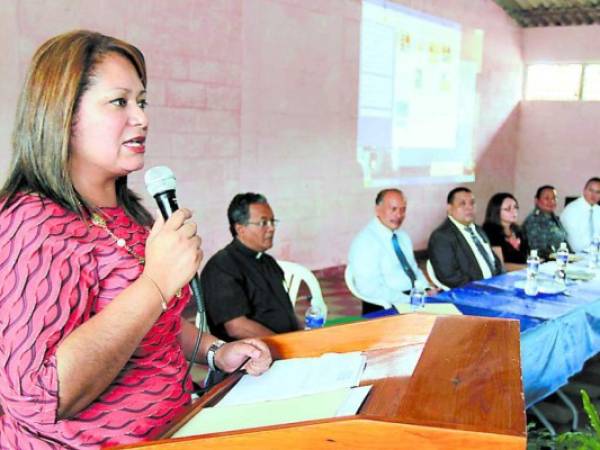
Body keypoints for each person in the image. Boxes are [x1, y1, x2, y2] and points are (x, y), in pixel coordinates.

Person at [0, 30, 271, 449]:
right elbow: (39, 396)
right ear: (63, 114)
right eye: (119, 102)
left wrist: (215, 351)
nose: (141, 118)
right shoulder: (33, 225)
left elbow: (151, 327)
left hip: (171, 429)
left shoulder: (125, 215)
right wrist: (156, 284)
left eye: (141, 102)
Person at [201, 193, 300, 341]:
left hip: (286, 347)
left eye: (272, 221)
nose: (271, 228)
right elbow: (237, 327)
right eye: (263, 223)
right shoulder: (221, 267)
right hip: (253, 356)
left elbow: (285, 313)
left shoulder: (268, 261)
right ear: (240, 229)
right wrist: (287, 346)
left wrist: (304, 336)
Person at [348, 189, 436, 314]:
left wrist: (426, 288)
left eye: (403, 209)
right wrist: (408, 300)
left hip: (412, 300)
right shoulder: (365, 242)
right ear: (377, 210)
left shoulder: (402, 236)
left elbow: (414, 270)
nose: (399, 215)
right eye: (393, 209)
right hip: (385, 306)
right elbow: (369, 289)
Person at [428, 187, 503, 289]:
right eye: (462, 204)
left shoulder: (478, 230)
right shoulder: (441, 237)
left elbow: (495, 262)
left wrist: (501, 281)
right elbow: (449, 276)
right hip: (471, 292)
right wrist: (481, 287)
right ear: (449, 209)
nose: (469, 208)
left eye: (472, 203)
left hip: (494, 287)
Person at [482, 192, 529, 268]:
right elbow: (500, 265)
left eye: (515, 207)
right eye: (508, 209)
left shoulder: (518, 231)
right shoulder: (490, 232)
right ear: (496, 211)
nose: (514, 212)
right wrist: (528, 267)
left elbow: (527, 256)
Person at [522, 185, 570, 259]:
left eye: (554, 198)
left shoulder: (554, 218)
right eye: (547, 198)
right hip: (542, 264)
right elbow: (537, 251)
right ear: (536, 201)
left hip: (559, 260)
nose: (551, 201)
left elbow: (563, 241)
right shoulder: (533, 221)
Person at [560, 177, 600, 252]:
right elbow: (573, 240)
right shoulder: (571, 210)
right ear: (584, 190)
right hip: (578, 255)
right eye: (591, 190)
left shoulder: (598, 210)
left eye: (598, 192)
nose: (593, 195)